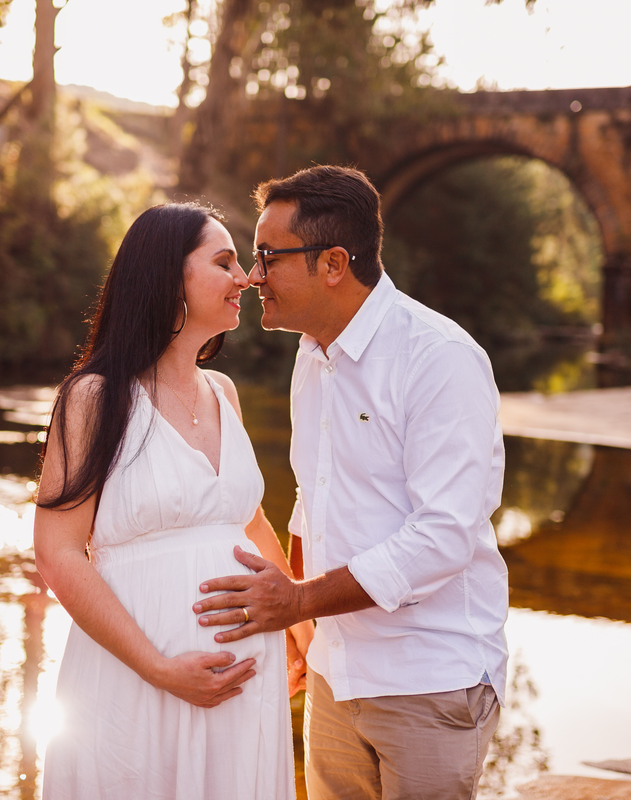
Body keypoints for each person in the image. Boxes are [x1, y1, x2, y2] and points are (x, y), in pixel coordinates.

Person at [193, 166, 509, 799]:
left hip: (429, 679)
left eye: (268, 257)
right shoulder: (313, 356)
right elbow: (314, 503)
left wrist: (299, 601)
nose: (254, 276)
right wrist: (303, 634)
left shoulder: (438, 358)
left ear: (333, 263)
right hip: (336, 676)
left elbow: (443, 536)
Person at [34, 203, 311, 800]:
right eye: (225, 262)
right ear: (169, 279)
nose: (246, 278)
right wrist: (158, 668)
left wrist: (299, 625)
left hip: (242, 682)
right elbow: (58, 553)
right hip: (136, 679)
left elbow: (251, 522)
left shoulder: (224, 393)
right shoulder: (93, 398)